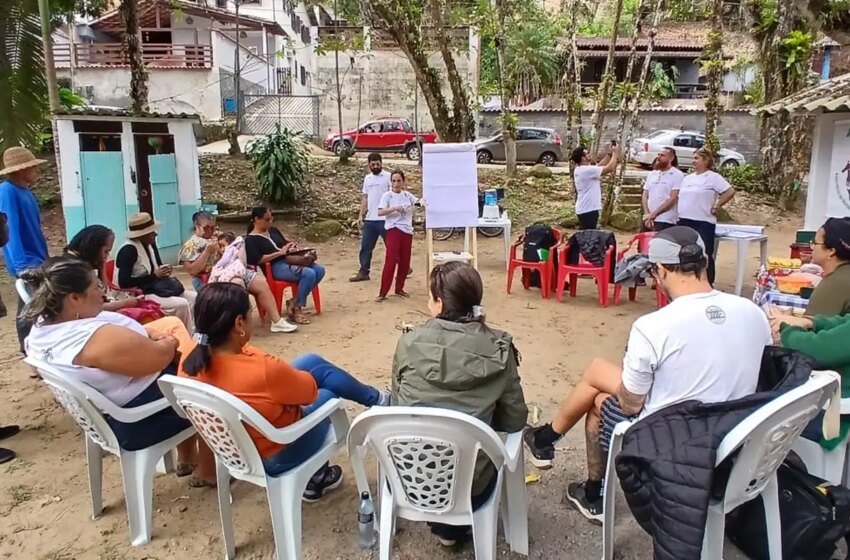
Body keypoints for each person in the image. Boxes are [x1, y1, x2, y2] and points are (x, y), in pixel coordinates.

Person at [523, 226, 771, 523]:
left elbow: (630, 405)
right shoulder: (752, 312)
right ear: (704, 263)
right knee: (599, 373)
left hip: (671, 436)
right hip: (734, 433)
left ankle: (588, 488)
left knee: (598, 400)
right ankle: (548, 442)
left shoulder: (653, 326)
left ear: (661, 271)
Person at [180, 283, 390, 500]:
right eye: (250, 314)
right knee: (328, 394)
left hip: (234, 449)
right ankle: (317, 476)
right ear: (239, 323)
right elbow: (309, 393)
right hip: (277, 453)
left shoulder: (189, 358)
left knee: (310, 362)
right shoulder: (260, 369)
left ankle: (378, 399)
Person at [22, 256, 214, 485]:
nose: (103, 293)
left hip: (103, 414)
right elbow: (160, 357)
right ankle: (209, 470)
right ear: (74, 298)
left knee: (182, 361)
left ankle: (187, 456)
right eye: (96, 287)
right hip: (138, 421)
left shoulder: (43, 328)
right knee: (205, 375)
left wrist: (152, 337)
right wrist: (168, 342)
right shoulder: (95, 341)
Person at [393, 261, 528, 546]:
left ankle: (446, 530)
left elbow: (397, 404)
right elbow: (515, 420)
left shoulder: (408, 343)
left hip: (413, 478)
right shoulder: (499, 349)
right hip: (473, 486)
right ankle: (456, 527)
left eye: (430, 297)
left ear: (439, 303)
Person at [774, 312, 850, 450]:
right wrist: (809, 322)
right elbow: (843, 325)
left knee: (751, 418)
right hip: (836, 411)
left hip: (835, 421)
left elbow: (817, 349)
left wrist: (786, 329)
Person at [0, 147, 49, 353]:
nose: (36, 171)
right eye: (32, 167)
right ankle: (27, 351)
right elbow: (10, 230)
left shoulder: (26, 191)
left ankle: (34, 349)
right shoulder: (7, 191)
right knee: (28, 307)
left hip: (38, 256)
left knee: (37, 306)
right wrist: (21, 265)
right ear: (21, 170)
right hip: (26, 261)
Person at [65, 225, 164, 323]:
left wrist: (101, 266)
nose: (107, 256)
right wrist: (124, 303)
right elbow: (95, 306)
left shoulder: (83, 264)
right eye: (106, 252)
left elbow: (102, 292)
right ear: (94, 248)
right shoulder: (75, 270)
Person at [245, 207, 325, 325]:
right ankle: (297, 308)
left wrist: (290, 247)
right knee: (309, 274)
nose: (270, 222)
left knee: (319, 270)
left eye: (271, 219)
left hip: (289, 259)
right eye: (267, 219)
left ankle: (293, 301)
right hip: (274, 266)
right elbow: (257, 260)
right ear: (256, 219)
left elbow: (284, 244)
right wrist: (279, 253)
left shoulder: (273, 231)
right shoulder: (251, 240)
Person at [115, 212, 196, 329]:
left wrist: (164, 271)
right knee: (181, 304)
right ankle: (181, 335)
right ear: (142, 234)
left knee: (194, 297)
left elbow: (158, 266)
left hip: (155, 287)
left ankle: (193, 331)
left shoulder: (150, 245)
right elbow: (124, 282)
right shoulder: (128, 250)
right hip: (138, 293)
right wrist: (154, 276)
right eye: (151, 232)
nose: (155, 234)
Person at [208, 231, 298, 333]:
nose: (223, 249)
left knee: (262, 285)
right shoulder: (214, 254)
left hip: (243, 272)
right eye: (220, 246)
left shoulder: (236, 249)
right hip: (225, 279)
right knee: (237, 284)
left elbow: (243, 261)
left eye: (224, 245)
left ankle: (276, 321)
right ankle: (237, 325)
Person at [675, 148, 735, 285]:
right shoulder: (687, 178)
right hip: (684, 219)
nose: (693, 161)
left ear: (706, 160)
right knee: (684, 252)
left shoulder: (713, 177)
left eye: (696, 158)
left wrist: (717, 205)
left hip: (703, 221)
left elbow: (729, 191)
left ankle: (707, 282)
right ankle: (686, 280)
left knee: (704, 253)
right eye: (693, 158)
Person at [376, 169, 422, 302]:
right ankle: (383, 291)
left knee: (405, 261)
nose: (396, 184)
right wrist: (395, 208)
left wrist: (422, 201)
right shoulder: (387, 196)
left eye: (399, 181)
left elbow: (417, 201)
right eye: (394, 181)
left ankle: (399, 288)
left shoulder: (407, 195)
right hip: (393, 229)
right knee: (390, 260)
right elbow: (380, 212)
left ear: (403, 182)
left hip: (407, 231)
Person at [350, 153, 391, 282]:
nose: (375, 166)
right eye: (372, 164)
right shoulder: (367, 179)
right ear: (369, 165)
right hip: (370, 219)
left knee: (392, 246)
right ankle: (363, 271)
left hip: (385, 218)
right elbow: (365, 198)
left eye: (377, 164)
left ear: (381, 163)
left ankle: (403, 267)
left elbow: (393, 196)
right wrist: (360, 215)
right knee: (366, 247)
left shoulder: (388, 177)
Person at [804, 218, 850, 317]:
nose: (812, 247)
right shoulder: (843, 274)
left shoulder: (835, 284)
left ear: (831, 251)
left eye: (815, 243)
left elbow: (810, 328)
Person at [571, 143, 620, 230]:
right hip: (588, 209)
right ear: (583, 158)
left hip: (585, 208)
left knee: (587, 234)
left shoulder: (582, 169)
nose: (589, 154)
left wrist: (609, 154)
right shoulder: (586, 170)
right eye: (587, 154)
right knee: (589, 237)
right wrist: (616, 154)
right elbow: (609, 168)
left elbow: (599, 167)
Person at [641, 147, 684, 232]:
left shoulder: (677, 175)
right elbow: (645, 195)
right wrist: (647, 214)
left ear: (671, 158)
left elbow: (673, 198)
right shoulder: (652, 174)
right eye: (658, 155)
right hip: (648, 219)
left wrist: (654, 214)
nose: (659, 158)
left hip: (665, 220)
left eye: (663, 155)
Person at [179, 211, 220, 292]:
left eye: (213, 227)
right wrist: (207, 251)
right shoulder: (190, 245)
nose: (210, 231)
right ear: (197, 225)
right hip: (203, 280)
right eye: (206, 227)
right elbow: (192, 270)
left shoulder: (217, 238)